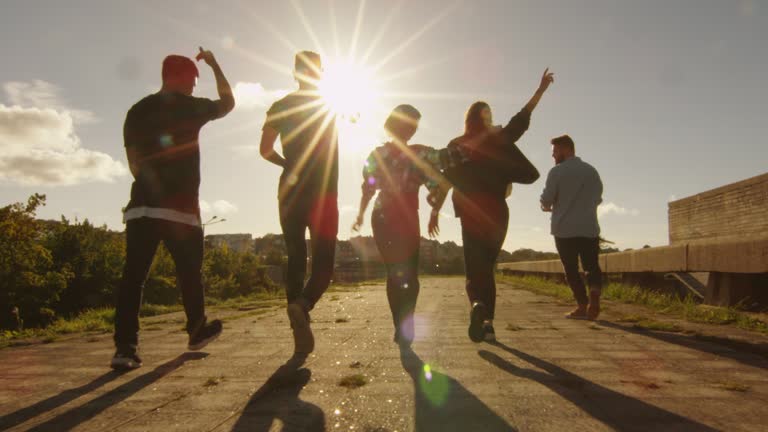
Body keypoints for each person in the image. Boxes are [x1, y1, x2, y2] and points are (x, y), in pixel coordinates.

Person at [113, 48, 235, 370]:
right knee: (189, 275)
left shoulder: (136, 111)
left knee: (133, 279)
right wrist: (213, 64)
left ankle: (125, 349)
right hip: (180, 211)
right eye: (193, 80)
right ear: (179, 77)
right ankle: (196, 331)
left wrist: (152, 191)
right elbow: (228, 103)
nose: (195, 87)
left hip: (142, 208)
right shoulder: (191, 108)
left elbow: (134, 163)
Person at [439, 68, 554, 343]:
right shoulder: (498, 139)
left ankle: (477, 306)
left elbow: (442, 175)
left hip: (470, 210)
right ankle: (488, 322)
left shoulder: (457, 144)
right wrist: (539, 91)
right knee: (487, 267)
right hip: (497, 211)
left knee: (474, 267)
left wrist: (434, 208)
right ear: (485, 119)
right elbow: (521, 120)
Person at [260, 51, 339, 356]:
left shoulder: (280, 106)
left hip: (289, 190)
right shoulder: (329, 102)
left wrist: (288, 165)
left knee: (295, 257)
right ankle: (304, 306)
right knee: (323, 263)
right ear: (321, 72)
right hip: (323, 192)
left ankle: (297, 326)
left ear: (294, 73)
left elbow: (265, 150)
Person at [351, 104, 445, 346]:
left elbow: (442, 180)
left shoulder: (401, 154)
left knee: (402, 274)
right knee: (402, 273)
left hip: (391, 217)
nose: (411, 130)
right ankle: (402, 324)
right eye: (409, 124)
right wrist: (434, 209)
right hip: (393, 217)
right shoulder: (416, 154)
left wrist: (435, 208)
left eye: (414, 125)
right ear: (396, 125)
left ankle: (404, 323)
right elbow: (368, 187)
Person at [540, 134, 604, 320]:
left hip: (564, 229)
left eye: (555, 151)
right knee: (591, 266)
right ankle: (594, 292)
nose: (553, 156)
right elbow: (598, 198)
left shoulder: (557, 172)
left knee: (571, 270)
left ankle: (582, 306)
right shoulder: (591, 171)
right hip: (589, 227)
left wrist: (545, 206)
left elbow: (547, 199)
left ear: (566, 149)